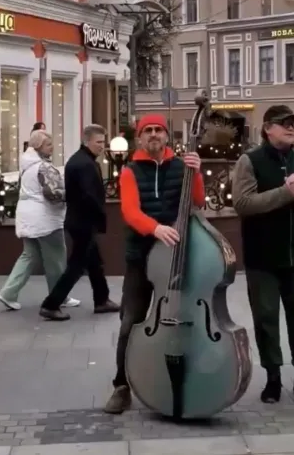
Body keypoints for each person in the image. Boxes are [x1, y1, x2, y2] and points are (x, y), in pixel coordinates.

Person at [103, 114, 205, 414]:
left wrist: (196, 172)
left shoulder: (181, 166)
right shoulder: (130, 171)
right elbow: (131, 212)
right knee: (130, 322)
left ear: (165, 136)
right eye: (147, 131)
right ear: (139, 138)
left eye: (158, 130)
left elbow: (198, 200)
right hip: (142, 258)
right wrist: (156, 228)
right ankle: (121, 386)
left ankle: (189, 376)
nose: (153, 135)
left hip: (178, 257)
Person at [231, 105, 294, 404]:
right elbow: (243, 203)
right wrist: (284, 193)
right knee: (266, 319)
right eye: (284, 123)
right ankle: (273, 378)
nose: (291, 127)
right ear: (267, 129)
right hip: (262, 256)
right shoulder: (249, 161)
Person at [39, 124, 119, 321]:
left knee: (95, 263)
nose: (102, 146)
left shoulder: (82, 160)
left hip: (79, 221)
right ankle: (51, 304)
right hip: (83, 223)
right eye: (98, 142)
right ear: (87, 141)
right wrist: (100, 216)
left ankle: (102, 300)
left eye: (103, 141)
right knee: (76, 266)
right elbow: (90, 196)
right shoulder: (84, 164)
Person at [0, 130, 80, 310]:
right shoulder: (44, 167)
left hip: (27, 216)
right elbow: (53, 193)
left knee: (28, 256)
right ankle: (59, 297)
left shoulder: (26, 166)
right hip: (46, 219)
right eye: (49, 144)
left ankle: (8, 293)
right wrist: (73, 194)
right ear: (38, 146)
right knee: (56, 259)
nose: (52, 147)